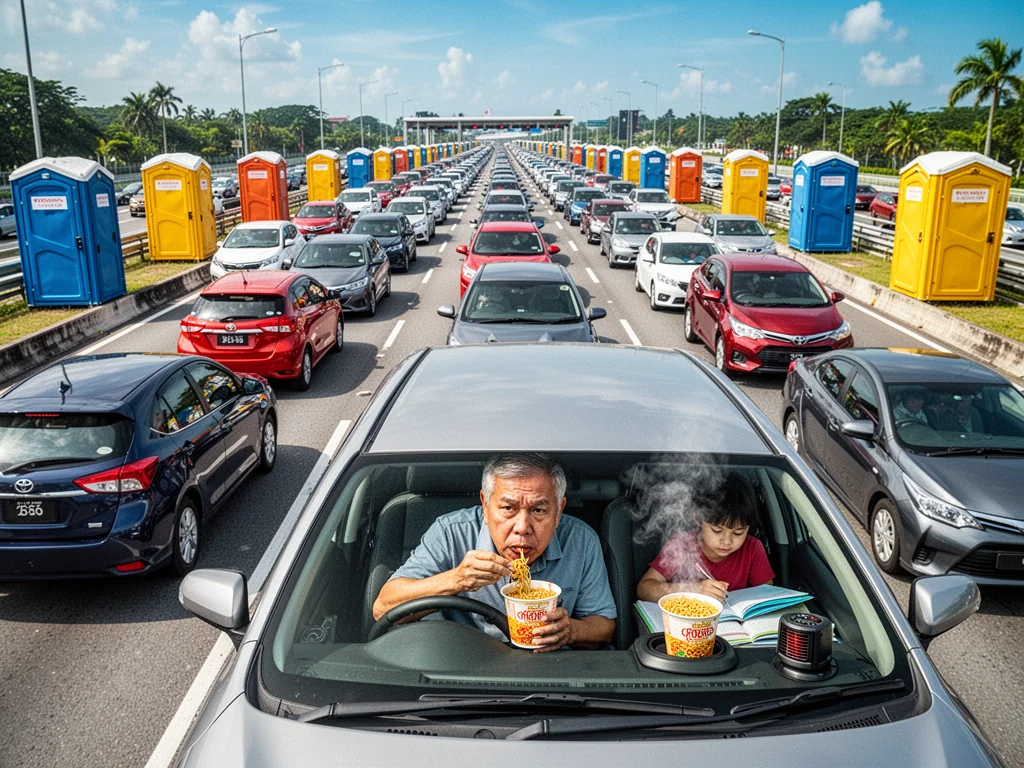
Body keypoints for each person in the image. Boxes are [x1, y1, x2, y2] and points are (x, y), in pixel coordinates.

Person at [373, 453, 616, 652]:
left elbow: (603, 625)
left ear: (559, 511)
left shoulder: (581, 540)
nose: (522, 528)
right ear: (486, 506)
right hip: (465, 665)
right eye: (508, 508)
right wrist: (456, 579)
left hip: (551, 670)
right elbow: (383, 608)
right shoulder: (451, 532)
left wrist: (570, 630)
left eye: (539, 510)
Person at [637, 472, 774, 603]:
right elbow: (644, 588)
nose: (727, 541)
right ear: (698, 518)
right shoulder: (682, 545)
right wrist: (692, 590)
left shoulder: (752, 549)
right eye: (717, 530)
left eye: (738, 533)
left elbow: (767, 595)